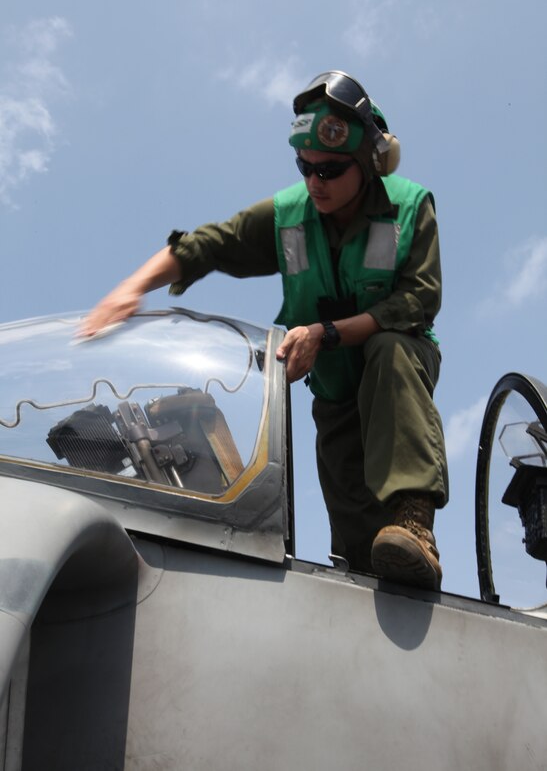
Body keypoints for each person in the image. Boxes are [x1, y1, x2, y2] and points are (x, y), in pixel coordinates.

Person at [81, 70, 449, 591]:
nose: (315, 182)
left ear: (370, 161)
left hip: (399, 368)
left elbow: (419, 300)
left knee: (389, 352)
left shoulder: (410, 206)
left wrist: (325, 332)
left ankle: (415, 522)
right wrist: (131, 288)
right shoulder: (289, 217)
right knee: (360, 543)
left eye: (330, 170)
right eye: (306, 168)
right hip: (336, 393)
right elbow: (207, 244)